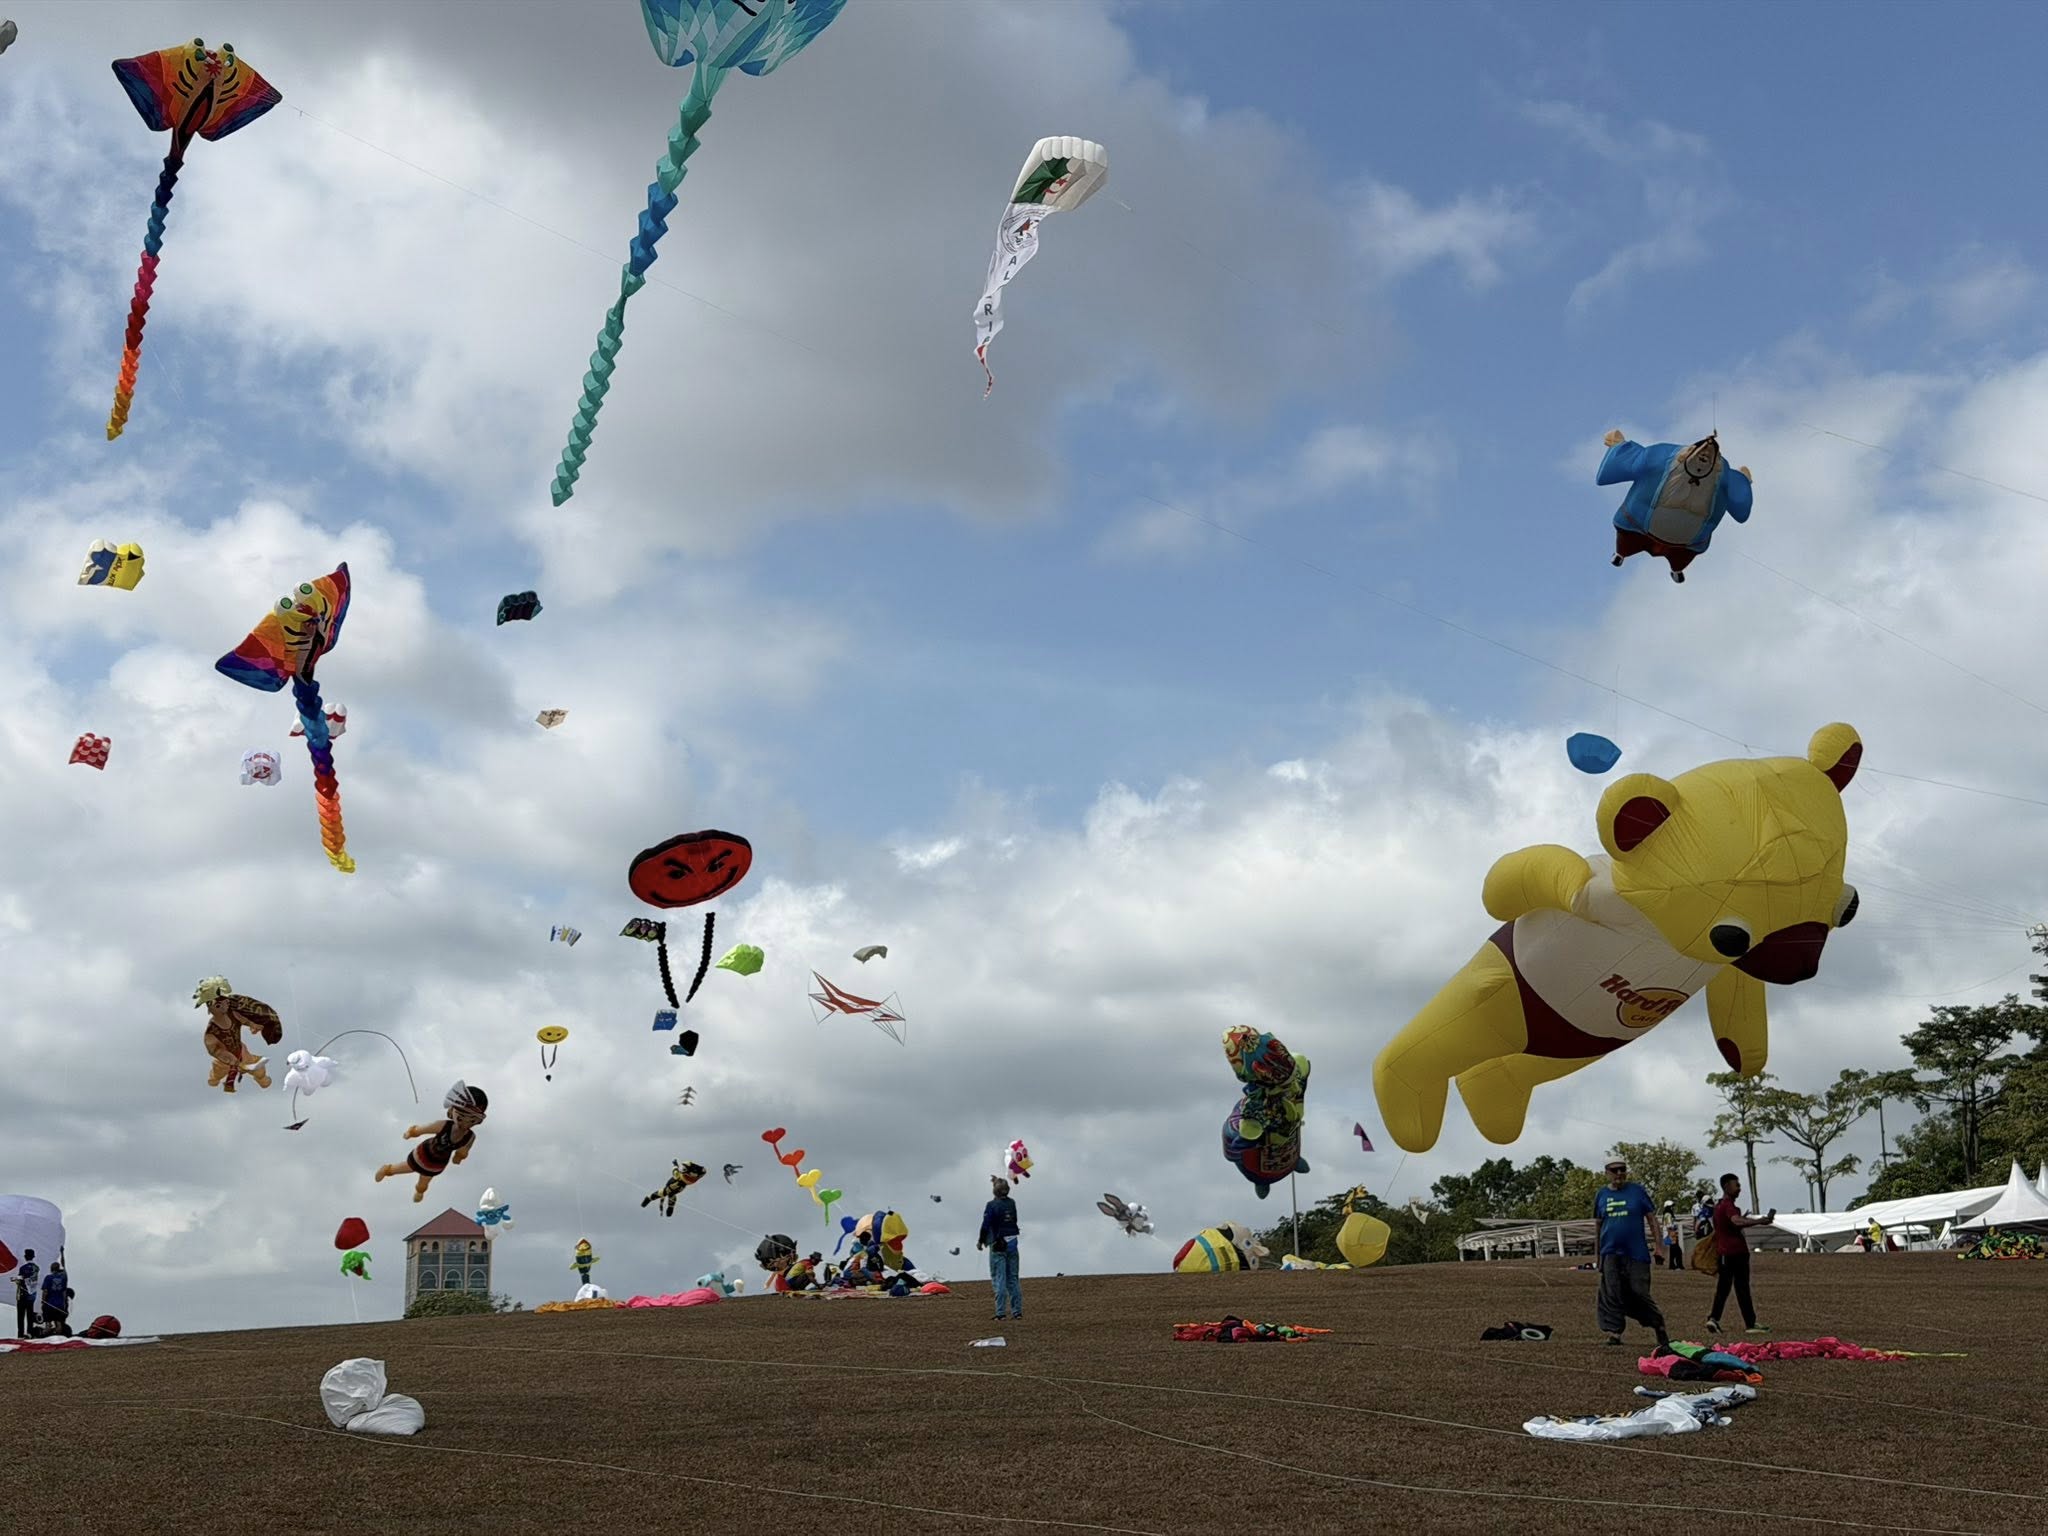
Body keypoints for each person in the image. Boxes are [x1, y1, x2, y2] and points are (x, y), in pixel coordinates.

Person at [1594, 1157, 1671, 1351]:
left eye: (1623, 1170)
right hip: (1610, 1251)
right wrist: (1598, 1256)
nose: (1619, 1173)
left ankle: (1657, 1324)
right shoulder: (1601, 1195)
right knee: (1612, 1291)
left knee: (1639, 1291)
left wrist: (1659, 1247)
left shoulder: (1637, 1192)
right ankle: (1615, 1332)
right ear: (1607, 1172)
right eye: (1615, 1170)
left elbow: (1652, 1220)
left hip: (1636, 1252)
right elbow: (1598, 1225)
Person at [1705, 1173, 1774, 1335]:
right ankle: (1750, 1323)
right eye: (1736, 1185)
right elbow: (1736, 1221)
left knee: (1723, 1288)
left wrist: (1743, 1219)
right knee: (1742, 1288)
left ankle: (1713, 1318)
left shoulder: (1719, 1206)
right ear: (1727, 1187)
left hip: (1723, 1253)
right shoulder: (1729, 1205)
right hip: (1736, 1253)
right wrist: (1760, 1221)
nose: (1739, 1189)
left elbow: (1730, 1223)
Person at [979, 1175, 1022, 1321]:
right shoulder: (1012, 1203)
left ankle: (1000, 1313)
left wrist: (981, 1240)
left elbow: (986, 1225)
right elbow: (1014, 1220)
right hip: (1012, 1241)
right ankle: (1017, 1312)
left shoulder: (991, 1205)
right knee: (1013, 1278)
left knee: (999, 1277)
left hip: (998, 1244)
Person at [39, 1260, 74, 1339]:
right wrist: (64, 1304)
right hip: (59, 1304)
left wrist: (43, 1301)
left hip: (49, 1304)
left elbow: (45, 1291)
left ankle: (43, 1337)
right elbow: (64, 1292)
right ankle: (60, 1338)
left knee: (48, 1323)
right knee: (59, 1323)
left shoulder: (48, 1278)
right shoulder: (63, 1278)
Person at [12, 1249, 38, 1339]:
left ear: (25, 1256)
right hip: (32, 1294)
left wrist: (15, 1279)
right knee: (30, 1314)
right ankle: (30, 1332)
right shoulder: (36, 1268)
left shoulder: (23, 1268)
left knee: (21, 1315)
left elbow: (21, 1279)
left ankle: (20, 1334)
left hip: (23, 1294)